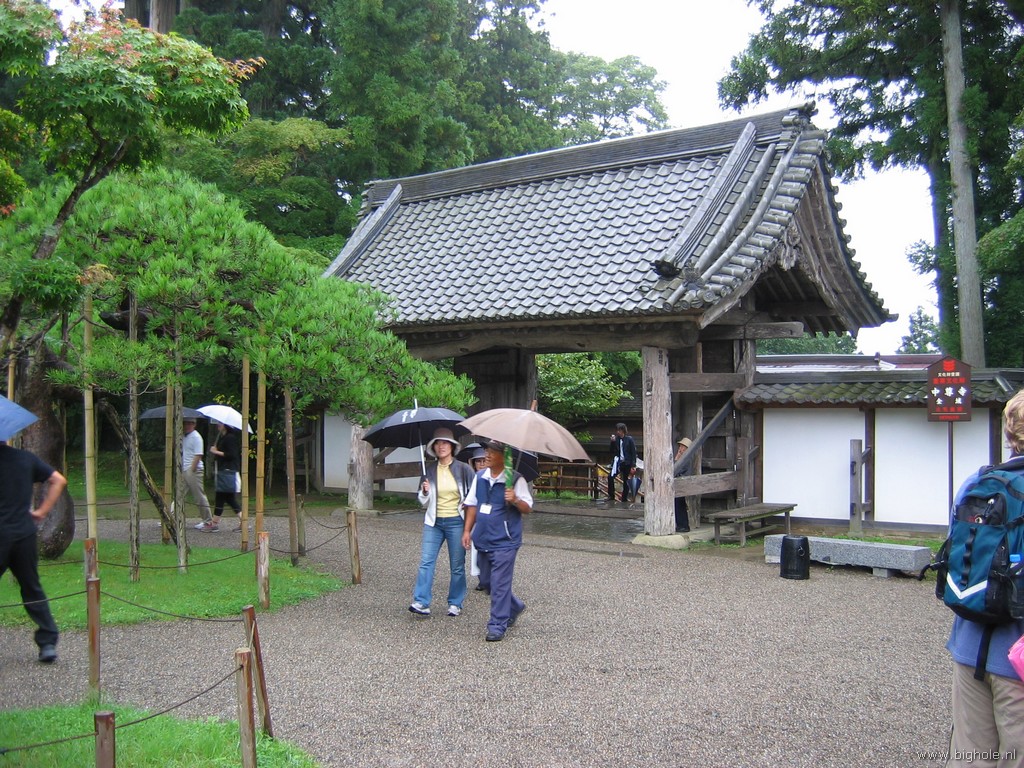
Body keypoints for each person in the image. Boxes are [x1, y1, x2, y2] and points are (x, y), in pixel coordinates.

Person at [945, 390, 1024, 765]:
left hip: (969, 644)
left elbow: (955, 548)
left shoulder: (977, 483)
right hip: (1018, 660)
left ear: (1009, 434)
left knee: (971, 756)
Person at [0, 439, 67, 663]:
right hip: (24, 534)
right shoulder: (25, 459)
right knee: (31, 587)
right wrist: (41, 512)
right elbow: (58, 480)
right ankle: (47, 643)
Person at [461, 440, 533, 642]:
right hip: (483, 538)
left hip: (505, 540)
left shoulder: (515, 479)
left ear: (505, 456)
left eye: (492, 451)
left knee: (500, 583)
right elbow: (472, 504)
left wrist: (515, 500)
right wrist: (467, 530)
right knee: (486, 582)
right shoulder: (480, 477)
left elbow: (528, 508)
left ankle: (497, 625)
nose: (487, 454)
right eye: (487, 450)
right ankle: (515, 606)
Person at [409, 428, 475, 617]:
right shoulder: (428, 470)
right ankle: (421, 602)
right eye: (437, 443)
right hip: (434, 522)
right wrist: (425, 492)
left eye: (445, 443)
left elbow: (474, 496)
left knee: (457, 565)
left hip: (457, 522)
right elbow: (422, 501)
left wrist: (468, 527)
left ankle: (455, 602)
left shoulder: (464, 469)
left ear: (452, 446)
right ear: (433, 448)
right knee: (426, 562)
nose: (441, 446)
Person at [201, 422, 242, 532]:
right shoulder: (224, 438)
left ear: (226, 425)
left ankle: (214, 524)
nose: (218, 424)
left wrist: (216, 451)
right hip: (224, 471)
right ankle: (242, 521)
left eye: (220, 423)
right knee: (227, 498)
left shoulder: (230, 438)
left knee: (222, 497)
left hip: (228, 472)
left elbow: (232, 454)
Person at [183, 417, 213, 530]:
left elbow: (198, 455)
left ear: (194, 424)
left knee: (199, 496)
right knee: (179, 495)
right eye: (185, 423)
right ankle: (171, 517)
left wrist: (192, 469)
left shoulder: (196, 437)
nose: (187, 426)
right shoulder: (184, 436)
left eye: (189, 424)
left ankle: (208, 521)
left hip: (194, 469)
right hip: (184, 468)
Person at [468, 447, 490, 594]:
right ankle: (481, 579)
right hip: (476, 519)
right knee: (477, 549)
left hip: (490, 518)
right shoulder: (471, 478)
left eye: (484, 460)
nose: (481, 464)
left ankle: (491, 578)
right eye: (478, 461)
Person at [607, 423, 637, 504]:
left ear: (623, 430)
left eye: (619, 430)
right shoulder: (616, 440)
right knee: (610, 477)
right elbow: (611, 451)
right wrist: (612, 442)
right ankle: (611, 495)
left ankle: (624, 498)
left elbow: (633, 452)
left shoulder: (629, 439)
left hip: (627, 462)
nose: (618, 432)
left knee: (626, 480)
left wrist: (633, 465)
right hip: (618, 462)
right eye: (617, 430)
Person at [674, 437, 693, 533]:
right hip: (679, 483)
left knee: (680, 505)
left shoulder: (686, 459)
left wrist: (676, 459)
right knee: (678, 505)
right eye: (680, 446)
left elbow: (676, 470)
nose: (680, 448)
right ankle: (681, 525)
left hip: (682, 483)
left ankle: (683, 525)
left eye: (682, 447)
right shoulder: (683, 458)